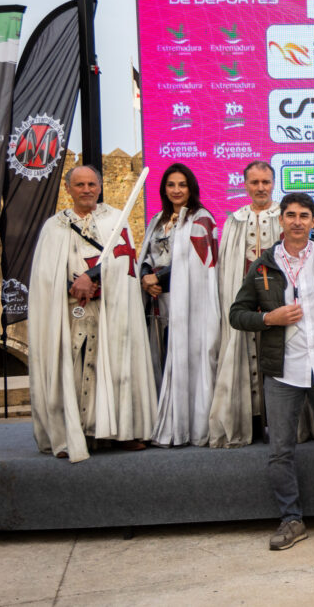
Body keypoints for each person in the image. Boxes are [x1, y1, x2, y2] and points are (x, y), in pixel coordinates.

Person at [229, 193, 314, 551]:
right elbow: (236, 314)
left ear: (313, 221)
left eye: (304, 215)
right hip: (283, 372)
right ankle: (291, 520)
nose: (297, 221)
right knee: (280, 451)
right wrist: (268, 319)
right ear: (281, 220)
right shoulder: (262, 266)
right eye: (291, 215)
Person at [28, 165, 157, 462]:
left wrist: (93, 277)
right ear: (68, 189)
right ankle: (75, 432)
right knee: (74, 366)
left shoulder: (116, 219)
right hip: (71, 309)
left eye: (91, 184)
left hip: (111, 308)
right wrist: (73, 285)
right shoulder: (54, 226)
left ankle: (119, 430)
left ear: (99, 187)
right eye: (80, 185)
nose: (86, 190)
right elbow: (44, 274)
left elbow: (126, 262)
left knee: (114, 366)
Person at [139, 163, 219, 447]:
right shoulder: (158, 220)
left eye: (181, 185)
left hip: (190, 303)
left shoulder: (201, 219)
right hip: (160, 300)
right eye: (171, 185)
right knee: (163, 358)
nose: (176, 190)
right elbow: (147, 253)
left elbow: (197, 265)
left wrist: (157, 276)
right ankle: (169, 421)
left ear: (191, 188)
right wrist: (147, 277)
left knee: (189, 359)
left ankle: (189, 426)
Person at [210, 160, 281, 447]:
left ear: (273, 183)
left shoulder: (285, 216)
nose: (261, 187)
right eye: (255, 182)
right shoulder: (234, 221)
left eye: (265, 182)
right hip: (245, 301)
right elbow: (228, 266)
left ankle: (281, 421)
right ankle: (249, 419)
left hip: (278, 300)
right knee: (243, 353)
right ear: (246, 185)